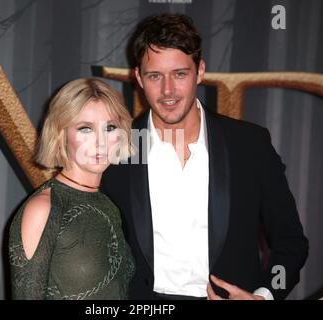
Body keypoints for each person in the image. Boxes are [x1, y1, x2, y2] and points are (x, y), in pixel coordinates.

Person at [101, 13, 308, 300]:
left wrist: (264, 294)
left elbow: (290, 241)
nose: (168, 91)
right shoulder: (116, 151)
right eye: (155, 76)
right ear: (138, 77)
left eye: (180, 74)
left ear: (200, 71)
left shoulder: (249, 144)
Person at [8, 78, 135, 299]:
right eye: (85, 129)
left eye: (110, 128)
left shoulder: (109, 205)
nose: (101, 142)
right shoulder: (43, 209)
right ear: (61, 134)